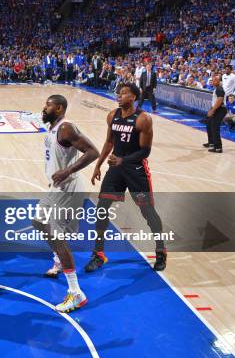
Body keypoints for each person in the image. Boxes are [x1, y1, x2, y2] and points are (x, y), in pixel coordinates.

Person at [87, 83, 167, 272]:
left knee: (148, 212)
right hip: (116, 168)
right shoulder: (112, 116)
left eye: (123, 93)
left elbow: (145, 151)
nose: (119, 96)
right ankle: (98, 254)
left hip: (136, 170)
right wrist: (98, 165)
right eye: (118, 93)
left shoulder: (143, 119)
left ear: (133, 97)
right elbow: (109, 142)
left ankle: (160, 250)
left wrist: (123, 160)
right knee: (101, 209)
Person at [31, 95, 99, 313]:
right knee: (39, 222)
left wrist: (68, 170)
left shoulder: (66, 128)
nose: (44, 108)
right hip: (57, 187)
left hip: (69, 188)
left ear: (59, 108)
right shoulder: (54, 128)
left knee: (59, 238)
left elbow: (93, 152)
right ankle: (59, 260)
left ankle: (76, 293)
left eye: (48, 105)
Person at [204, 75, 227, 153]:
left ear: (219, 81)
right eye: (213, 80)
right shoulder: (217, 89)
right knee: (209, 125)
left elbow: (220, 100)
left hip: (220, 109)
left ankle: (218, 147)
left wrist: (213, 110)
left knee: (215, 127)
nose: (213, 82)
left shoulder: (219, 89)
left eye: (215, 80)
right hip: (217, 108)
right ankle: (212, 143)